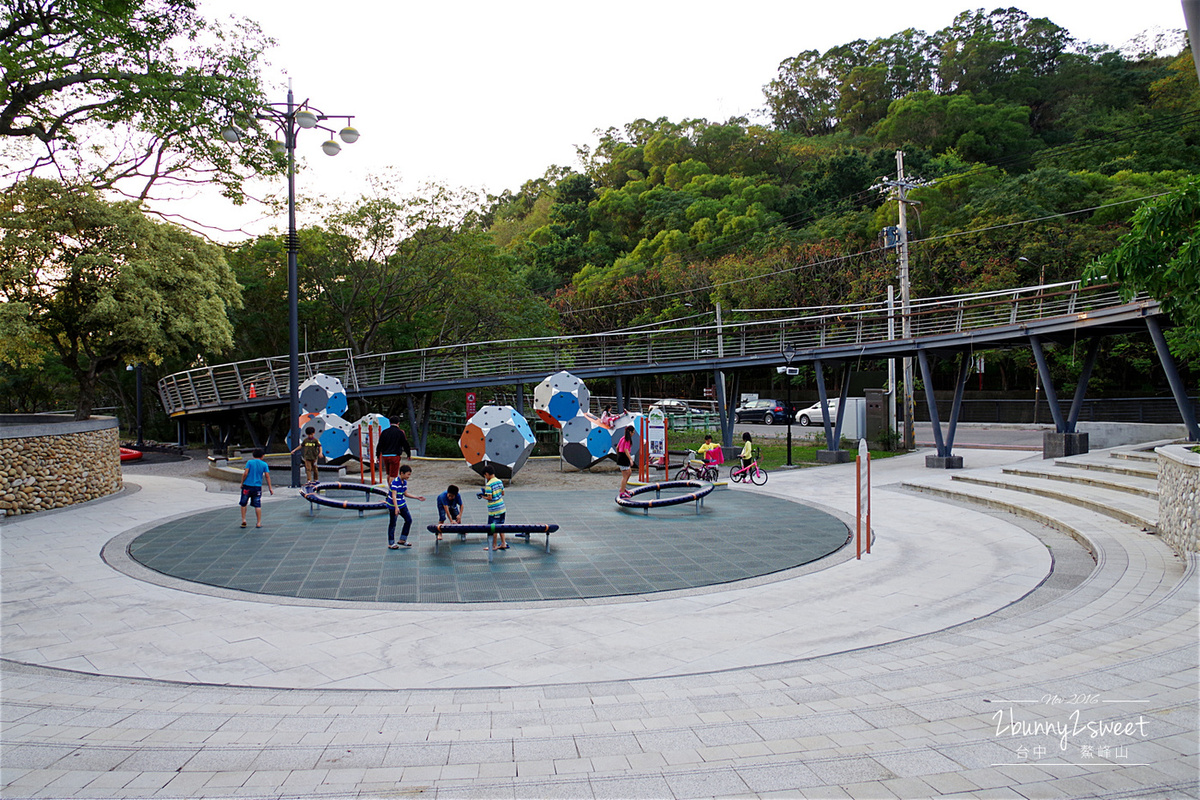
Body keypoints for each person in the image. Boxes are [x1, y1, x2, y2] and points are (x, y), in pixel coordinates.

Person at [385, 463, 425, 549]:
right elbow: (394, 496)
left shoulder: (404, 482)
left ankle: (402, 539)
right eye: (408, 474)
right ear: (402, 473)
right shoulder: (395, 482)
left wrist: (417, 497)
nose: (408, 476)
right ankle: (391, 543)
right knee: (393, 523)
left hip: (402, 504)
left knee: (408, 520)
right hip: (393, 505)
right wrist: (396, 508)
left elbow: (405, 493)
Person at [238, 448, 274, 529]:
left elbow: (245, 473)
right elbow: (267, 476)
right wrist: (270, 488)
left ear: (253, 455)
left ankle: (244, 520)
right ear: (262, 456)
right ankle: (258, 522)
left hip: (247, 486)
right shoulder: (264, 464)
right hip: (257, 487)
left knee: (243, 503)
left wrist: (242, 483)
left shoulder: (249, 462)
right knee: (257, 504)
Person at [478, 465, 508, 550]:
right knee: (501, 526)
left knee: (493, 528)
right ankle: (503, 543)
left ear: (487, 474)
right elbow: (503, 493)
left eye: (485, 475)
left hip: (494, 510)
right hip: (502, 507)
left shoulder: (489, 484)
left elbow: (490, 497)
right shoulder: (499, 481)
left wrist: (483, 496)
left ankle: (493, 545)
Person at [616, 425, 634, 498]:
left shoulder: (622, 438)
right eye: (633, 432)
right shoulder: (627, 439)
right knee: (625, 476)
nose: (633, 434)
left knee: (629, 472)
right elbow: (626, 450)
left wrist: (618, 454)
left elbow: (617, 447)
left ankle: (623, 488)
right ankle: (622, 492)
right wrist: (630, 459)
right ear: (630, 432)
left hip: (621, 456)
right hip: (623, 457)